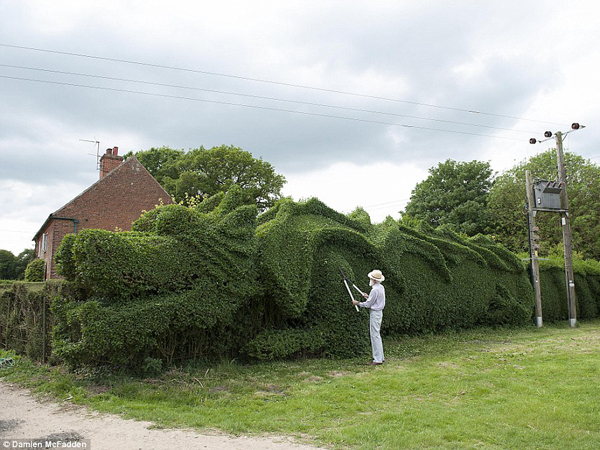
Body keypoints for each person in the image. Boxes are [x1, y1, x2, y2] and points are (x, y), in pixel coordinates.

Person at [352, 269, 386, 365]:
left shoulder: (375, 290)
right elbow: (374, 300)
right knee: (377, 335)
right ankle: (381, 357)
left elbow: (368, 304)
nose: (370, 279)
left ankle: (377, 360)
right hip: (379, 313)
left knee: (374, 335)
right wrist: (368, 296)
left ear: (374, 280)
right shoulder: (381, 287)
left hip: (375, 313)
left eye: (371, 278)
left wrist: (357, 303)